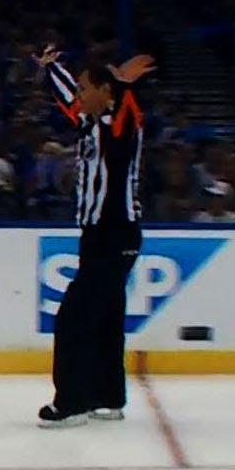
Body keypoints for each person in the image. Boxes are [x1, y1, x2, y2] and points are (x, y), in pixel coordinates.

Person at [34, 46, 156, 428]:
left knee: (73, 318)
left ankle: (72, 402)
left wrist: (124, 86)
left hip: (114, 234)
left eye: (86, 88)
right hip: (98, 237)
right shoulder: (88, 122)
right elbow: (68, 97)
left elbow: (127, 115)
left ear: (105, 91)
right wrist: (52, 67)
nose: (80, 95)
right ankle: (108, 396)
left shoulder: (120, 125)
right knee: (105, 317)